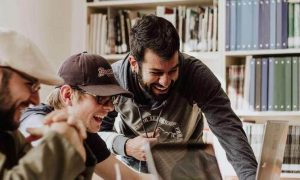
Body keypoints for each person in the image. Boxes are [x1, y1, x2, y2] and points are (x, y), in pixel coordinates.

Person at [99, 14, 258, 180]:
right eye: (156, 73)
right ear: (134, 64)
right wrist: (127, 146)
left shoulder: (196, 75)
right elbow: (98, 132)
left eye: (173, 70)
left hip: (188, 169)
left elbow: (229, 129)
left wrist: (251, 177)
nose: (165, 81)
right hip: (133, 171)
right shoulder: (114, 79)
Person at [20, 52, 153, 180]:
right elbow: (37, 130)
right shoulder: (35, 118)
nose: (110, 107)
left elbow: (133, 178)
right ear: (67, 95)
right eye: (101, 98)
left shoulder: (84, 131)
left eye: (112, 98)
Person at [0, 28, 88, 179]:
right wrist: (61, 142)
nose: (36, 100)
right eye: (31, 85)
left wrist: (74, 142)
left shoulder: (9, 133)